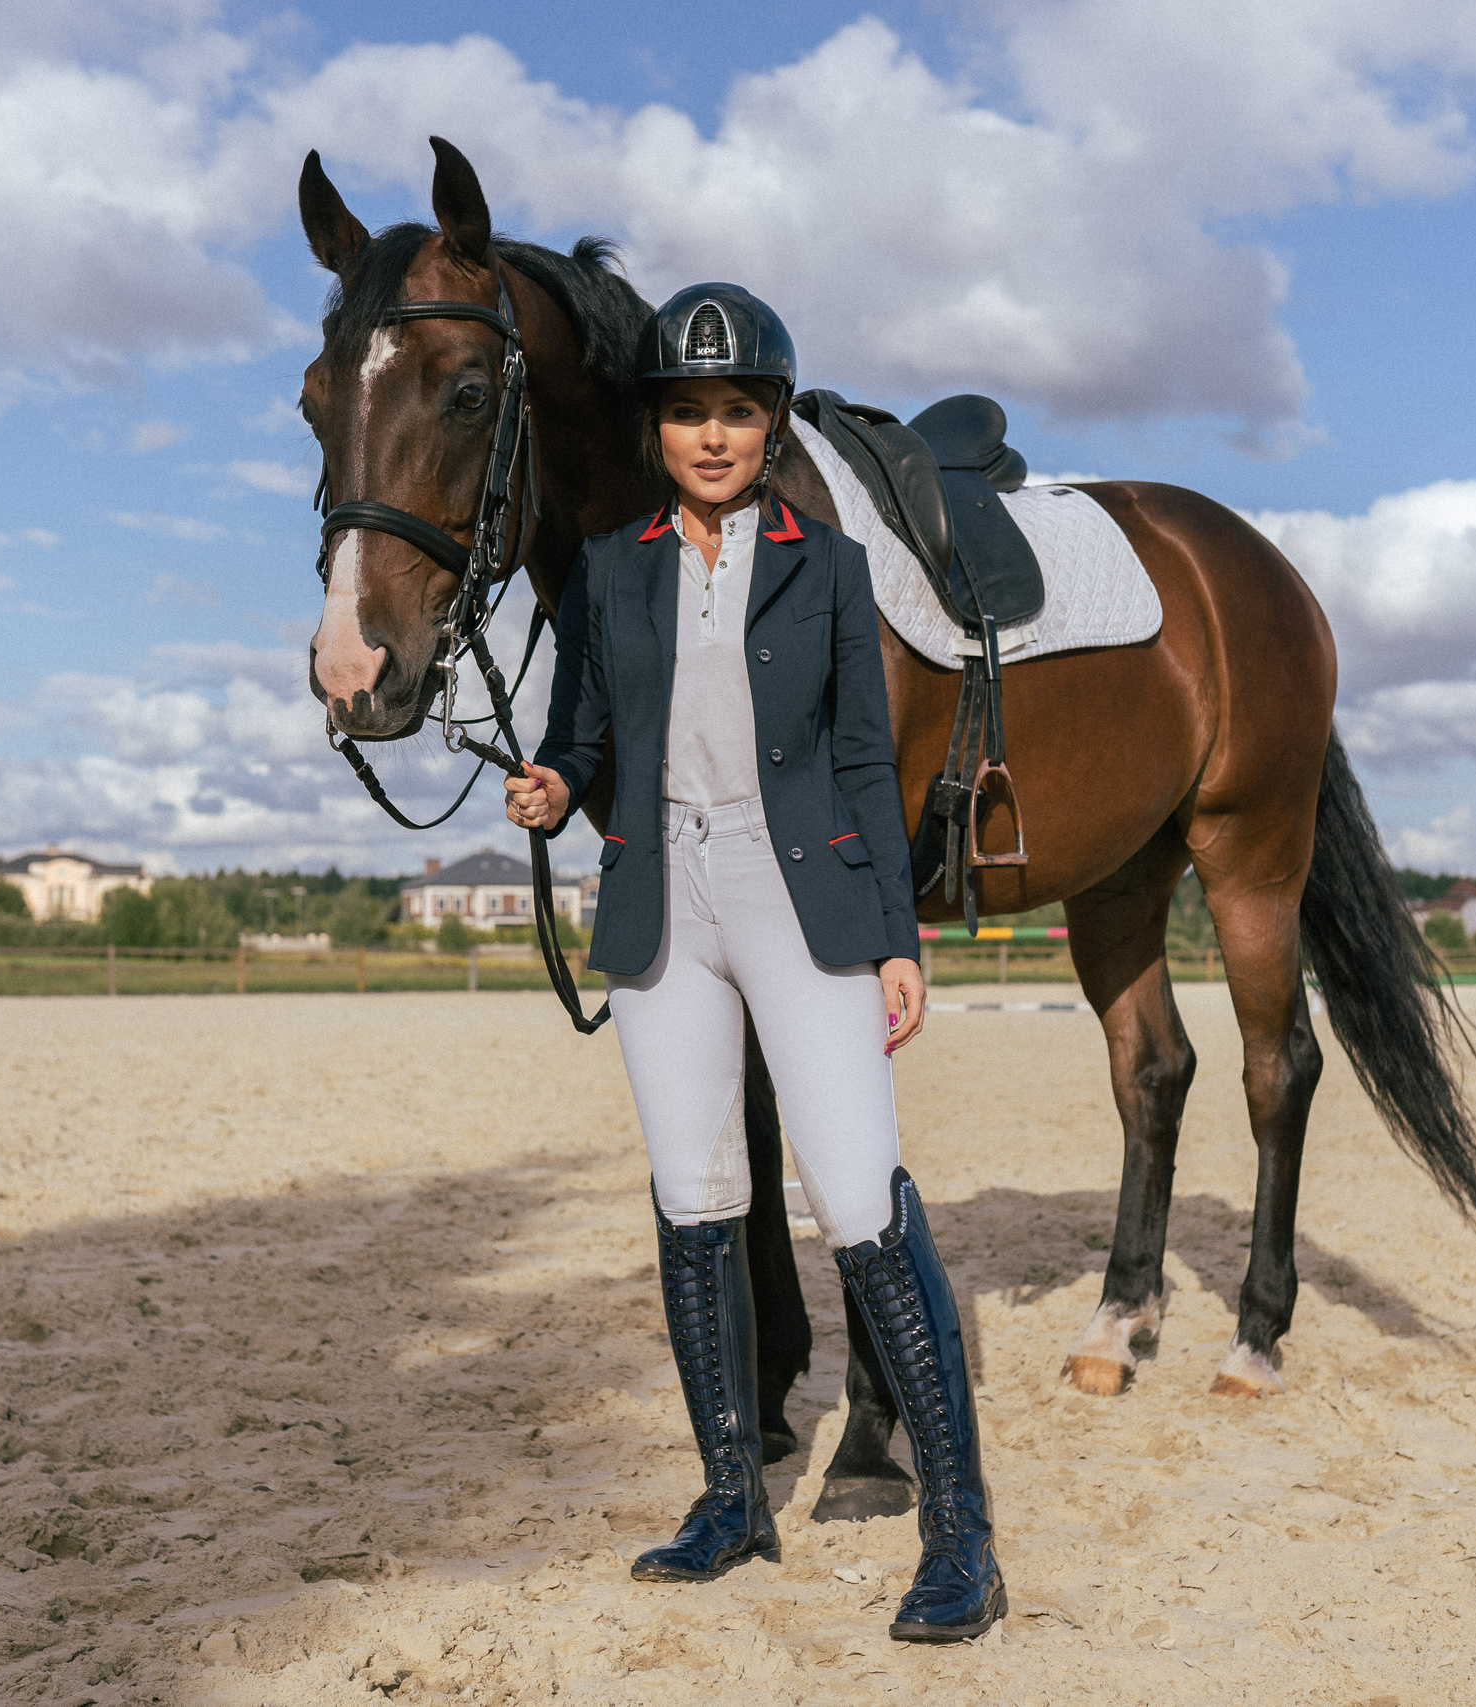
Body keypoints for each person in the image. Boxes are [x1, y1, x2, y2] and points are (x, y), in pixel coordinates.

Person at [504, 284, 1006, 1644]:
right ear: (656, 428)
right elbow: (584, 734)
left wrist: (895, 936)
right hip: (664, 890)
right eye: (687, 413)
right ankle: (732, 1496)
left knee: (857, 1196)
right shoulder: (606, 568)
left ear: (769, 424)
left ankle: (961, 1538)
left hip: (802, 894)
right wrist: (557, 784)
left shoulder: (829, 567)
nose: (713, 435)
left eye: (736, 410)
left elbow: (865, 760)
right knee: (695, 1195)